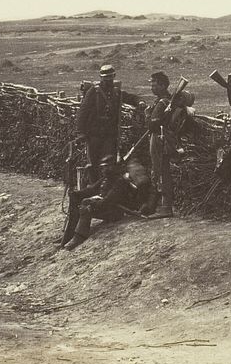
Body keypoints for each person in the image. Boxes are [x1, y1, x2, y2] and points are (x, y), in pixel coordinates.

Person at [75, 64, 143, 178]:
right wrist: (81, 132)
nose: (108, 80)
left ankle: (105, 189)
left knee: (108, 163)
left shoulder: (116, 92)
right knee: (94, 163)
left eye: (110, 77)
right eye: (105, 77)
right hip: (94, 134)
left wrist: (140, 101)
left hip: (109, 135)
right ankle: (94, 188)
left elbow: (130, 97)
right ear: (101, 78)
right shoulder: (93, 91)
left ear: (114, 76)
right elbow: (83, 112)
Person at [142, 71, 194, 219]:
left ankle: (166, 208)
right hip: (166, 140)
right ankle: (164, 205)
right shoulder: (168, 101)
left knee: (161, 172)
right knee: (163, 172)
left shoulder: (162, 103)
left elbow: (152, 125)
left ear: (163, 85)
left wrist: (147, 114)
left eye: (154, 84)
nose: (152, 87)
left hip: (160, 140)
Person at [61, 155, 135, 250]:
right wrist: (76, 194)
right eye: (103, 167)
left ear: (113, 167)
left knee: (85, 207)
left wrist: (91, 204)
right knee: (77, 200)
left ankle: (79, 236)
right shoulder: (105, 178)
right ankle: (69, 234)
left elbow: (108, 201)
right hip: (105, 208)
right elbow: (91, 190)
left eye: (106, 167)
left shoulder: (119, 181)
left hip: (114, 212)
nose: (103, 170)